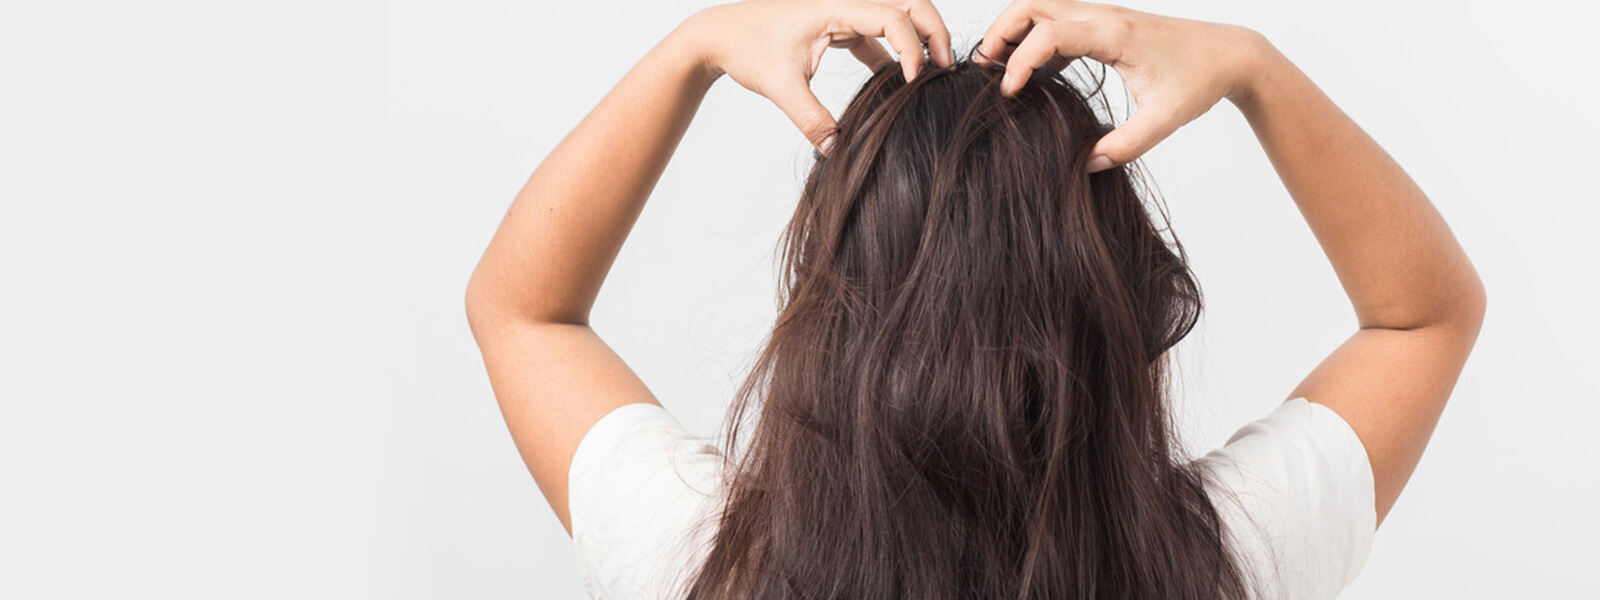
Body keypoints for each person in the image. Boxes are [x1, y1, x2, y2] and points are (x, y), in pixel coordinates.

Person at [464, 1, 1486, 598]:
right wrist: (1254, 70)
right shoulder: (1223, 559)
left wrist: (692, 46)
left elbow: (521, 309)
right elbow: (1423, 314)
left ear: (829, 305)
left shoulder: (715, 563)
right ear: (1110, 298)